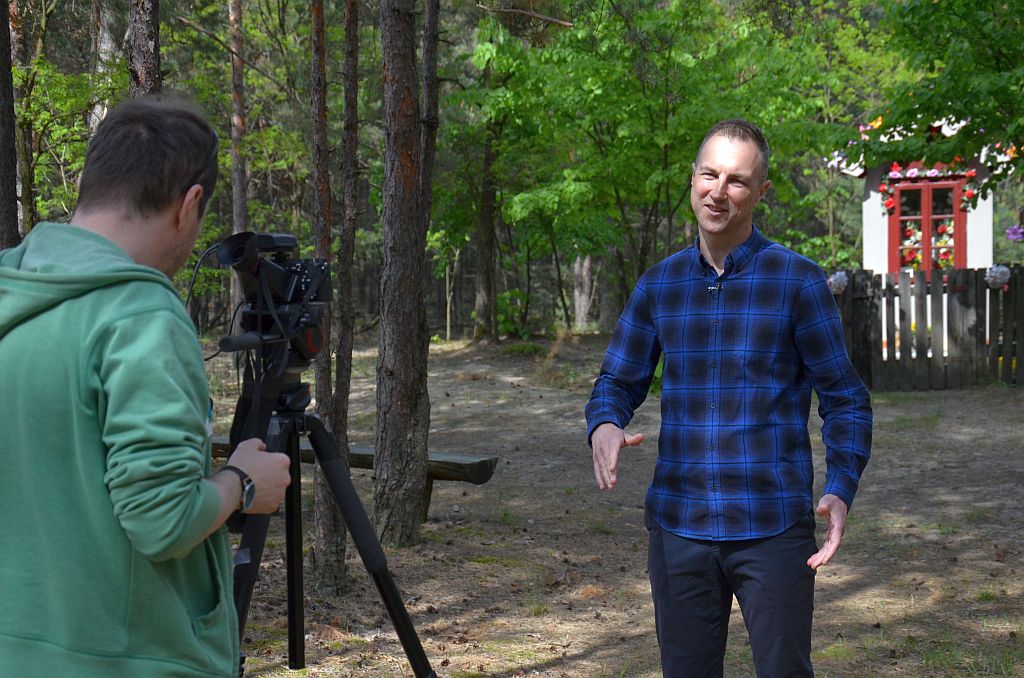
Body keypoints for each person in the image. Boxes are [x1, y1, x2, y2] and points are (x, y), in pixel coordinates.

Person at [0, 97, 292, 677]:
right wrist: (241, 481)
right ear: (189, 205)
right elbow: (162, 520)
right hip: (130, 658)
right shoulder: (142, 318)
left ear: (88, 182)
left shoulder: (13, 286)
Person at [585, 119, 872, 677]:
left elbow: (845, 398)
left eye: (737, 181)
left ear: (761, 193)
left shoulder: (798, 283)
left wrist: (841, 487)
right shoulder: (658, 286)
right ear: (691, 179)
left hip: (774, 528)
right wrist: (604, 424)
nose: (719, 191)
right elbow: (617, 383)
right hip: (678, 527)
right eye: (709, 174)